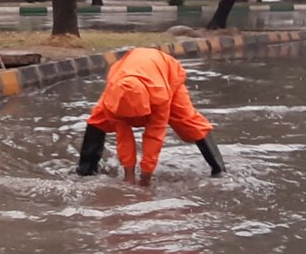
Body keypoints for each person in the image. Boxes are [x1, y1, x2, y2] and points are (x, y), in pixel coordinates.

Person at [75, 47, 225, 186]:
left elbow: (155, 135)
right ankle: (86, 171)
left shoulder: (160, 97)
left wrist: (146, 177)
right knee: (98, 119)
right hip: (125, 77)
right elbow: (124, 137)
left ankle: (219, 170)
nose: (135, 122)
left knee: (188, 120)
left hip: (166, 75)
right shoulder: (112, 100)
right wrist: (129, 176)